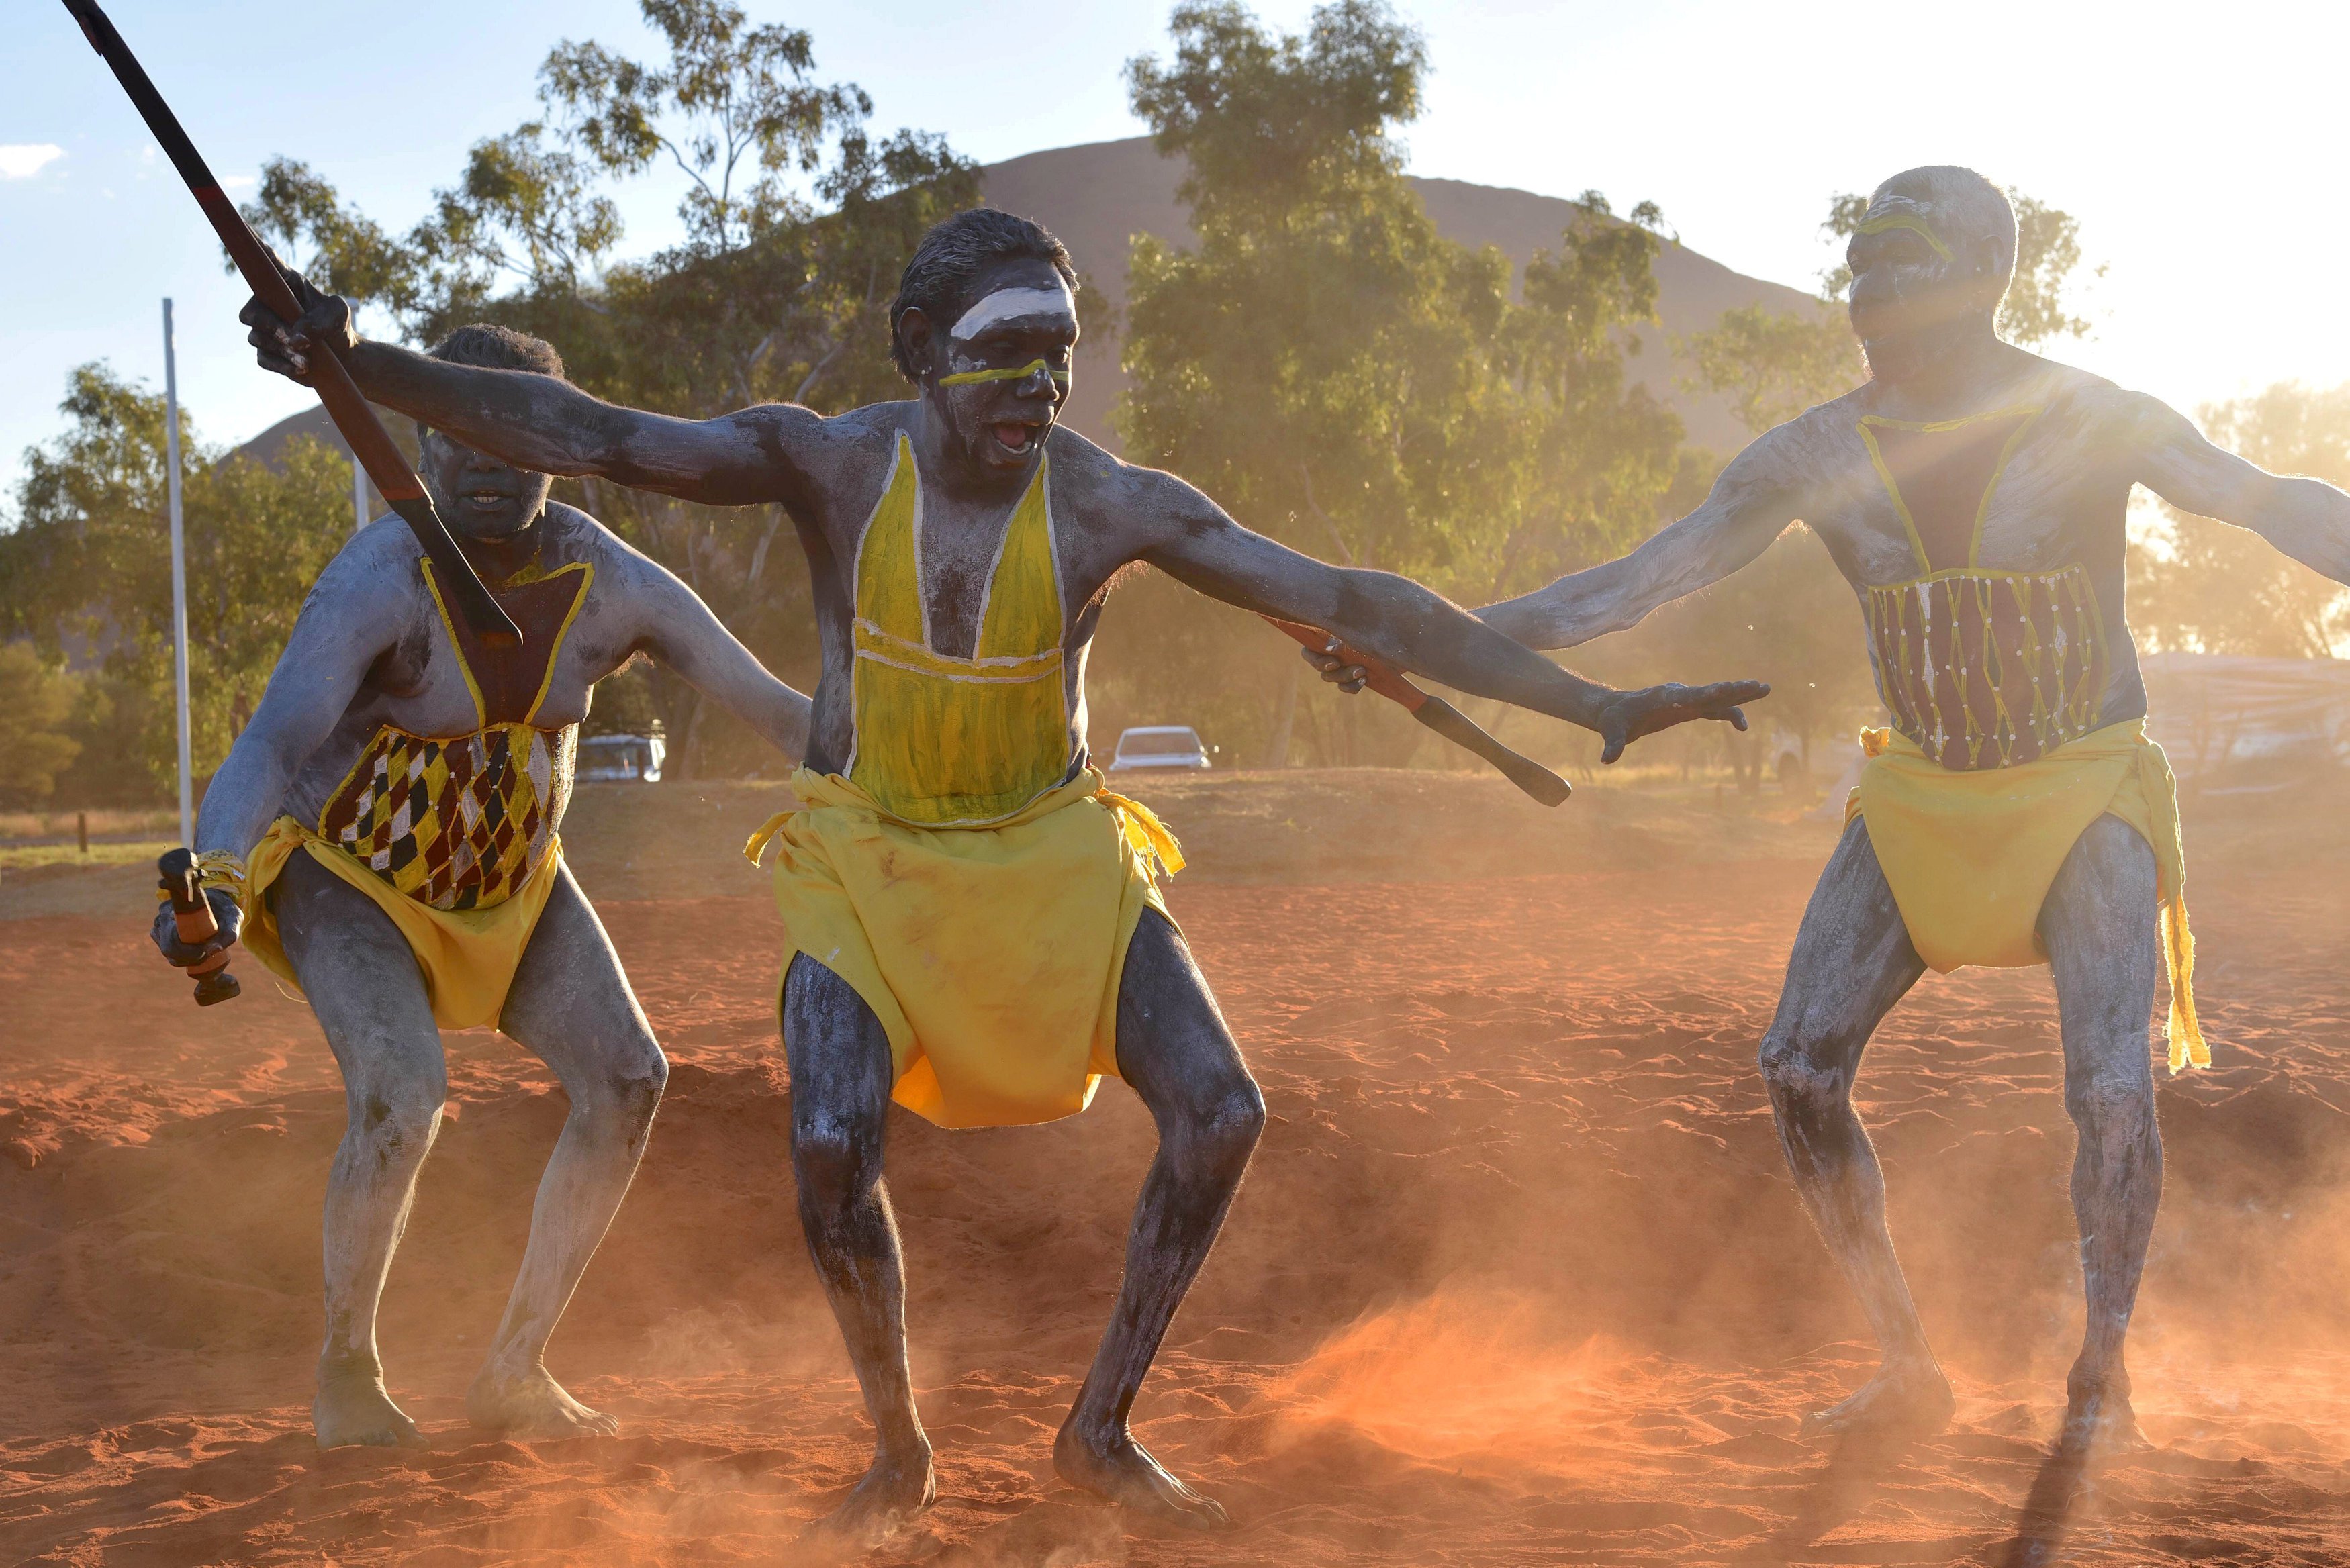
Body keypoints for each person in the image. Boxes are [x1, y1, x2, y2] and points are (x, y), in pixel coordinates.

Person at [240, 207, 1765, 1532]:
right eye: (1000, 354)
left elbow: (1361, 598)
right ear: (916, 349)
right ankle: (898, 1445)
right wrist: (353, 362)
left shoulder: (1111, 502)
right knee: (831, 1149)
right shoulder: (826, 466)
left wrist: (1594, 703)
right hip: (873, 862)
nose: (1035, 387)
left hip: (1056, 858)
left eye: (1060, 357)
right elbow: (599, 434)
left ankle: (1097, 1427)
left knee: (1223, 1112)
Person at [1315, 166, 2350, 1455]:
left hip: (2083, 789)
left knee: (2109, 1088)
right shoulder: (1811, 456)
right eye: (1861, 273)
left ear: (1982, 284)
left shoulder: (2093, 419)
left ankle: (2102, 1383)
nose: (1871, 300)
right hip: (1917, 798)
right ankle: (1909, 1371)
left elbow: (2271, 504)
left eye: (1903, 273)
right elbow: (1634, 584)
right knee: (1798, 1068)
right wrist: (1425, 641)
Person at [152, 324, 812, 1449]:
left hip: (515, 886)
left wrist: (939, 758)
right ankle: (347, 1371)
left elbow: (776, 709)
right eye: (461, 436)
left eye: (516, 438)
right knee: (405, 1094)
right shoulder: (380, 582)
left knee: (628, 1080)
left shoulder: (610, 581)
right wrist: (208, 879)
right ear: (420, 441)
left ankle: (515, 1370)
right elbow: (270, 744)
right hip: (347, 880)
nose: (489, 464)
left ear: (562, 446)